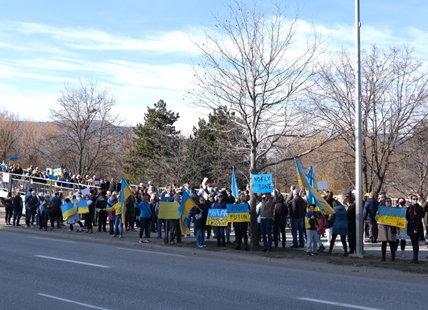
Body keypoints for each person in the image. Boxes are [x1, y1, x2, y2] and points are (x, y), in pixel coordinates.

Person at [406, 195, 424, 263]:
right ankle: (414, 256)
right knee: (413, 243)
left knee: (415, 243)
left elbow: (419, 219)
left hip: (416, 227)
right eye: (414, 199)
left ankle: (415, 257)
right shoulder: (409, 208)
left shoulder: (419, 208)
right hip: (410, 226)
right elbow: (407, 218)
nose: (415, 200)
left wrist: (416, 229)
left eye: (416, 199)